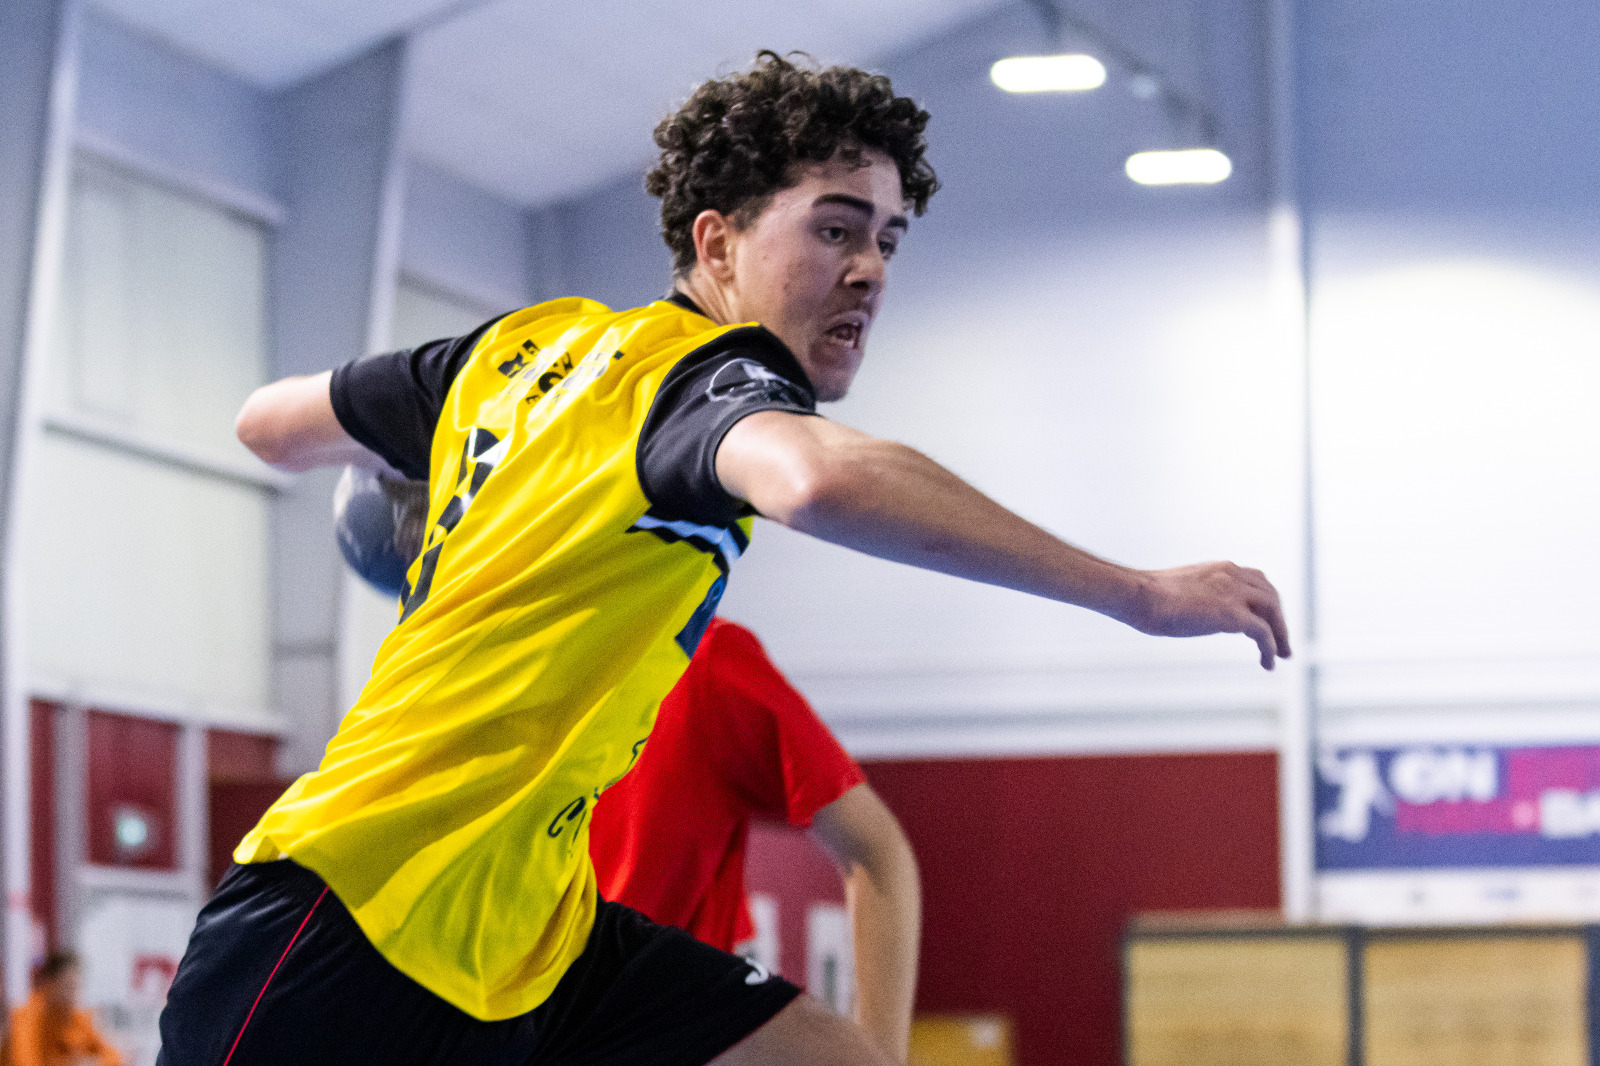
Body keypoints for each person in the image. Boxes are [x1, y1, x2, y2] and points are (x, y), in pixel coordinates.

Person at [157, 51, 1289, 1066]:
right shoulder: (705, 377)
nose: (870, 269)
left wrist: (466, 486)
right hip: (351, 908)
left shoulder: (513, 353)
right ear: (715, 243)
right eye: (835, 229)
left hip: (532, 927)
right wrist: (1136, 593)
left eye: (888, 239)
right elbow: (816, 479)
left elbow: (270, 425)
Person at [589, 617, 919, 1062]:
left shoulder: (699, 659)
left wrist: (880, 1057)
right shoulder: (505, 662)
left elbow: (873, 845)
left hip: (667, 1029)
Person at [3, 951, 122, 1066]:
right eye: (68, 986)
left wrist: (94, 1063)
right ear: (49, 984)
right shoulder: (24, 1017)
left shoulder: (77, 1016)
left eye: (77, 987)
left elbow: (114, 1055)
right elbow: (22, 1062)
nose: (74, 994)